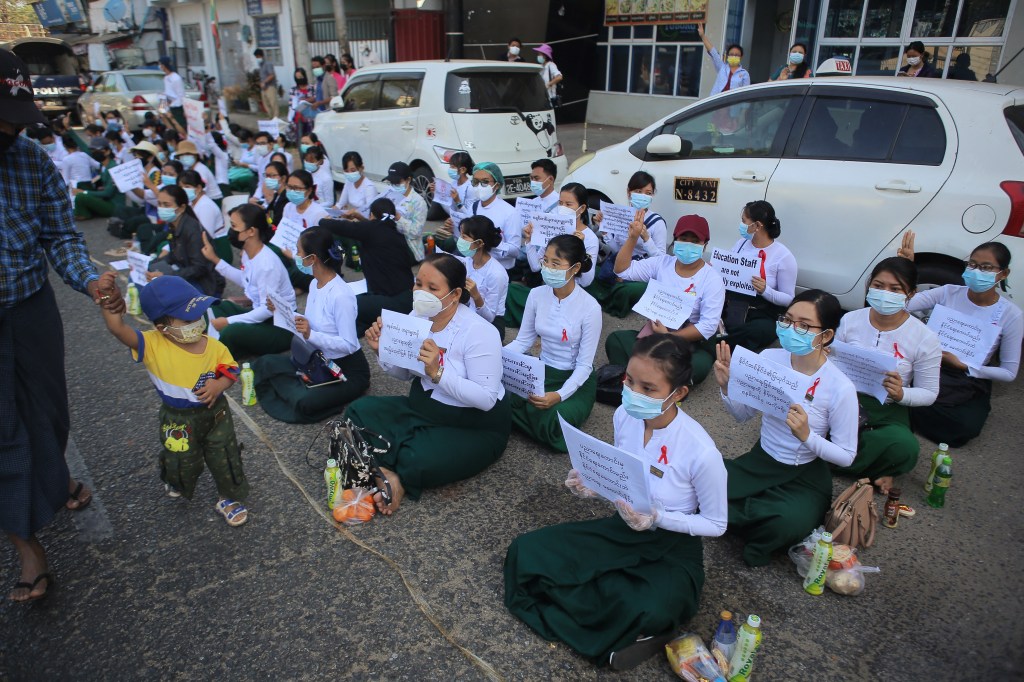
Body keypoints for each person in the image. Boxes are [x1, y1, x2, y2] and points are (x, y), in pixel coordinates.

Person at [505, 334, 727, 669]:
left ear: (679, 393)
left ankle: (644, 630)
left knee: (646, 606)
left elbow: (716, 523)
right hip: (622, 528)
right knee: (528, 551)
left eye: (648, 388)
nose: (633, 393)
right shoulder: (624, 415)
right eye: (629, 380)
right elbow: (624, 475)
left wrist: (658, 518)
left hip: (672, 547)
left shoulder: (701, 451)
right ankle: (619, 629)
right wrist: (593, 482)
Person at [1, 49, 125, 602]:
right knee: (4, 430)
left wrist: (90, 279)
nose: (11, 131)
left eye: (16, 120)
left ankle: (56, 479)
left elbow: (60, 235)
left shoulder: (29, 157)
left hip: (30, 306)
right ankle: (27, 546)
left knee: (49, 411)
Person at [347, 253, 512, 515]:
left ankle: (396, 475)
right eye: (418, 284)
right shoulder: (417, 317)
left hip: (471, 424)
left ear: (455, 294)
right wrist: (382, 351)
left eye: (432, 288)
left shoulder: (480, 332)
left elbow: (486, 399)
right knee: (357, 412)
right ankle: (388, 471)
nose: (421, 292)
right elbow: (405, 374)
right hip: (422, 407)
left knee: (416, 459)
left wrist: (438, 373)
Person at [714, 290, 858, 567]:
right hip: (760, 461)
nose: (792, 329)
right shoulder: (770, 358)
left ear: (826, 335)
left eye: (804, 325)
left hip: (803, 474)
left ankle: (740, 518)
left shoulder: (840, 387)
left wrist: (808, 436)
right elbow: (743, 415)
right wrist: (727, 387)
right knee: (703, 484)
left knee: (784, 524)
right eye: (787, 320)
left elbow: (847, 455)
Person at [99, 274, 250, 525]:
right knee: (181, 458)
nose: (197, 322)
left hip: (216, 413)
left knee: (225, 454)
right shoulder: (151, 344)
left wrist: (219, 385)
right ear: (162, 328)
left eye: (199, 315)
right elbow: (117, 328)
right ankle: (177, 479)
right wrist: (107, 298)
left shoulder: (214, 346)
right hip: (178, 418)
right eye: (188, 320)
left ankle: (229, 497)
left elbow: (231, 371)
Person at [897, 234, 1021, 446]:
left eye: (986, 267)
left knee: (963, 427)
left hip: (966, 376)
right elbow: (903, 305)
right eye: (972, 264)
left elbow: (1009, 372)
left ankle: (901, 407)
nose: (976, 271)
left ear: (1003, 273)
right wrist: (906, 269)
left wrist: (964, 366)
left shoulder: (1012, 315)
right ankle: (905, 403)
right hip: (927, 363)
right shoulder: (949, 292)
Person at [831, 257, 941, 494]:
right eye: (879, 286)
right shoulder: (850, 320)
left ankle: (824, 459)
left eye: (895, 289)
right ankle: (870, 469)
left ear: (910, 294)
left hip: (888, 408)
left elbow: (929, 392)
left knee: (904, 447)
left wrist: (902, 394)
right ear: (869, 285)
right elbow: (829, 364)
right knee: (799, 418)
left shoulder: (925, 338)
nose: (885, 294)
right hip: (843, 399)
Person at [253, 227, 371, 423]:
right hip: (316, 360)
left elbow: (349, 345)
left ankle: (309, 390)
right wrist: (280, 310)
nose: (296, 256)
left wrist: (310, 335)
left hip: (345, 370)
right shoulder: (314, 284)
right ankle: (304, 384)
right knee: (264, 363)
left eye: (299, 251)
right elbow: (309, 323)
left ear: (312, 258)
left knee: (304, 403)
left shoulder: (340, 295)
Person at [505, 234, 600, 452]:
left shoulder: (590, 307)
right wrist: (497, 355)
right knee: (501, 395)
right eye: (545, 261)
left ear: (575, 268)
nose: (548, 268)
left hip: (575, 378)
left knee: (554, 421)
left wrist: (559, 395)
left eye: (556, 263)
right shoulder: (536, 294)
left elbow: (584, 365)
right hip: (542, 370)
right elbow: (523, 341)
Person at [605, 215, 725, 386]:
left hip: (692, 342)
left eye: (695, 241)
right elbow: (622, 270)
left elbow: (708, 325)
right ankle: (655, 380)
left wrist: (669, 336)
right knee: (616, 341)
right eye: (684, 239)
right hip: (657, 334)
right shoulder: (662, 263)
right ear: (675, 240)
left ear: (705, 244)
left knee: (695, 367)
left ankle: (643, 375)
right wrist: (633, 238)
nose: (688, 244)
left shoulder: (712, 279)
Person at [203, 204, 297, 358]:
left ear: (251, 231)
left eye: (234, 226)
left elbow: (267, 309)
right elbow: (245, 280)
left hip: (280, 326)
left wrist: (228, 321)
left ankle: (218, 355)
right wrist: (214, 259)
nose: (231, 231)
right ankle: (222, 344)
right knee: (214, 307)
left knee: (232, 330)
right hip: (261, 316)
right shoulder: (248, 253)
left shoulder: (267, 264)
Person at [508, 182, 600, 327]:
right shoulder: (553, 228)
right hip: (549, 289)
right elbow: (536, 267)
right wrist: (529, 241)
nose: (563, 208)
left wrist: (580, 249)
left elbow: (586, 281)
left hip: (572, 295)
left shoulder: (590, 238)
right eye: (560, 203)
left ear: (582, 208)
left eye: (568, 204)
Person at [322, 197, 416, 334]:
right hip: (408, 297)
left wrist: (323, 220)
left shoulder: (373, 229)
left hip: (394, 301)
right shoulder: (396, 233)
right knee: (358, 313)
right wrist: (360, 218)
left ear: (371, 215)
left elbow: (342, 227)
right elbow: (372, 228)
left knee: (347, 304)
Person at [721, 200, 797, 352]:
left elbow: (789, 299)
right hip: (736, 306)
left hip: (761, 312)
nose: (741, 225)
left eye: (744, 221)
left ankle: (722, 346)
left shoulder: (783, 256)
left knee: (754, 331)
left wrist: (765, 290)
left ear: (757, 225)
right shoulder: (741, 244)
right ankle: (721, 343)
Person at [590, 171, 668, 317]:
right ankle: (616, 284)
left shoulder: (657, 223)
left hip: (643, 269)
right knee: (589, 273)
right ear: (629, 192)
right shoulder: (621, 215)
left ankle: (616, 288)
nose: (643, 196)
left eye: (648, 193)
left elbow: (661, 260)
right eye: (638, 191)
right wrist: (605, 230)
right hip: (620, 264)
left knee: (627, 291)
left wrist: (646, 238)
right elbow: (616, 250)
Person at [149, 185, 224, 297]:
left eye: (167, 205)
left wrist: (167, 276)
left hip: (205, 284)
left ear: (182, 207)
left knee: (162, 292)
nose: (162, 208)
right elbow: (174, 255)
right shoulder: (173, 225)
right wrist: (153, 264)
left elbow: (199, 268)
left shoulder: (193, 230)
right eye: (159, 204)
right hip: (186, 272)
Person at [453, 162, 519, 272]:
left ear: (496, 185)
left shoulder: (509, 212)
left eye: (485, 182)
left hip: (499, 269)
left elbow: (515, 251)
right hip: (475, 265)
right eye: (475, 182)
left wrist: (496, 243)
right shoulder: (473, 207)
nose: (479, 186)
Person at [454, 215, 509, 337]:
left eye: (464, 237)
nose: (460, 240)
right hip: (468, 313)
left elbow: (489, 317)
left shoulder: (496, 274)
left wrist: (476, 295)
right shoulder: (468, 261)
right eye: (460, 236)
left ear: (479, 243)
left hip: (491, 325)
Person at [178, 170, 230, 264]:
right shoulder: (191, 203)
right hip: (202, 247)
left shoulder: (205, 206)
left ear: (198, 188)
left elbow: (203, 238)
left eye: (187, 187)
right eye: (181, 187)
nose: (183, 190)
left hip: (217, 252)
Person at [384, 161, 427, 262]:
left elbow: (416, 232)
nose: (394, 186)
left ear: (408, 180)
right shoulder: (388, 196)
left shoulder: (418, 202)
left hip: (410, 247)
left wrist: (398, 218)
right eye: (391, 183)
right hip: (389, 240)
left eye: (397, 183)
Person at [697, 23, 749, 94]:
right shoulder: (722, 67)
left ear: (741, 57)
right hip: (717, 100)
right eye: (731, 54)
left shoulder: (744, 74)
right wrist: (702, 36)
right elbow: (713, 52)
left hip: (733, 101)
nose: (734, 56)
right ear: (727, 56)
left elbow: (746, 94)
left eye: (736, 55)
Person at [334, 150, 379, 220]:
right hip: (352, 218)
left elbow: (370, 216)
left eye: (353, 170)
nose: (349, 173)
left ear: (361, 168)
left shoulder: (369, 187)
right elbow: (340, 204)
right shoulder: (349, 182)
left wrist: (356, 214)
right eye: (346, 171)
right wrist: (333, 211)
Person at [297, 56, 339, 120]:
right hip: (319, 113)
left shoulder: (329, 78)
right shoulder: (317, 80)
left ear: (323, 66)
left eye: (317, 67)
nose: (315, 69)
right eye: (313, 68)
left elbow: (334, 97)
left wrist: (319, 103)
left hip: (328, 113)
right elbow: (318, 96)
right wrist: (306, 101)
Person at [251, 160, 289, 227]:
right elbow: (270, 215)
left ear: (283, 178)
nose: (268, 179)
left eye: (272, 176)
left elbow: (273, 224)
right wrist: (262, 209)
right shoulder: (277, 195)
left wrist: (268, 218)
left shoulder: (286, 198)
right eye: (266, 176)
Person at [159, 56, 187, 129]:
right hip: (170, 107)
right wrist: (162, 108)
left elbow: (181, 94)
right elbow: (166, 93)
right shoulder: (166, 78)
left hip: (177, 107)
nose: (160, 66)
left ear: (164, 65)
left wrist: (184, 109)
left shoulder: (176, 78)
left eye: (160, 64)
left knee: (180, 126)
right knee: (171, 127)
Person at [255, 48, 279, 117]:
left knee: (273, 103)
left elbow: (272, 75)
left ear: (261, 56)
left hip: (270, 86)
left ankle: (275, 118)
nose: (257, 59)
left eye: (258, 57)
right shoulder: (260, 66)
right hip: (263, 88)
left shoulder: (268, 64)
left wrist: (264, 82)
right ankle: (270, 117)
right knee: (266, 103)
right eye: (256, 57)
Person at [291, 67, 313, 137]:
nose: (299, 79)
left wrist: (305, 100)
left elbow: (315, 99)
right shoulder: (293, 90)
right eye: (297, 77)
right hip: (298, 118)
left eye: (300, 77)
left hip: (310, 117)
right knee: (300, 137)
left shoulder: (312, 88)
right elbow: (291, 104)